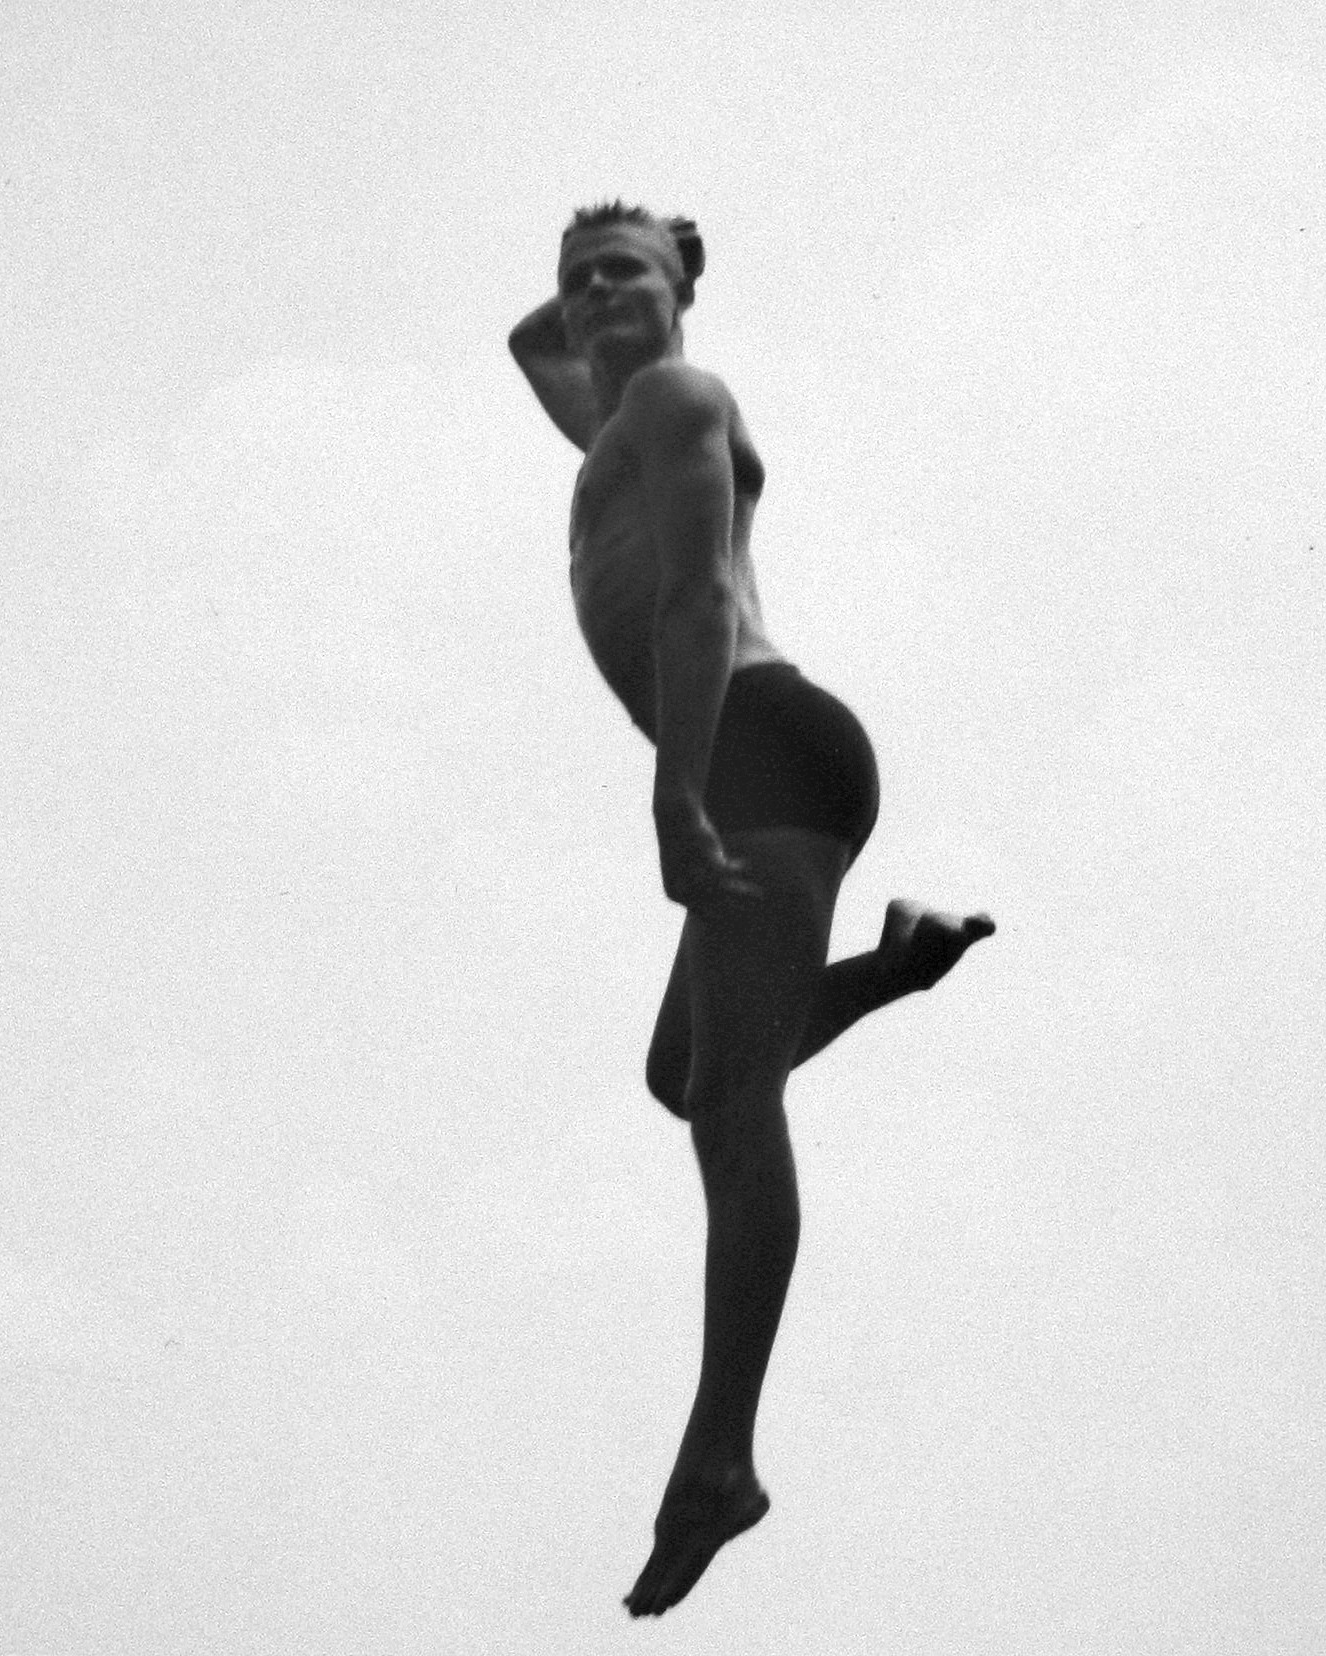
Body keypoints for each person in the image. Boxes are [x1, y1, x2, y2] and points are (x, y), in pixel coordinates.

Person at [508, 202, 995, 1619]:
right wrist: (636, 255)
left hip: (760, 749)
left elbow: (703, 592)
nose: (593, 297)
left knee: (733, 1108)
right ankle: (898, 968)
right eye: (579, 281)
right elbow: (528, 343)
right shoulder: (615, 413)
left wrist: (679, 794)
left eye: (626, 280)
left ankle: (721, 1458)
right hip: (750, 757)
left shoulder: (675, 398)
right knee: (686, 1074)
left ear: (680, 306)